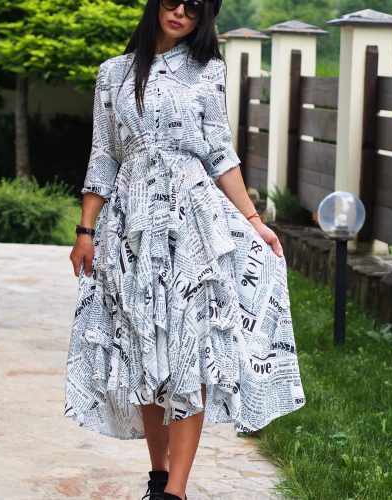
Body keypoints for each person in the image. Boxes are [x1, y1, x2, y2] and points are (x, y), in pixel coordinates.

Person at [64, 0, 306, 499]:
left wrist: (254, 220)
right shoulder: (113, 73)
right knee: (142, 351)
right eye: (172, 0)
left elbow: (219, 151)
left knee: (188, 351)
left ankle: (175, 490)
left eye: (194, 6)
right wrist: (85, 230)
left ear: (204, 17)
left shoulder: (208, 71)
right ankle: (158, 475)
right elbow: (104, 154)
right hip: (130, 228)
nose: (180, 11)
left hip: (191, 221)